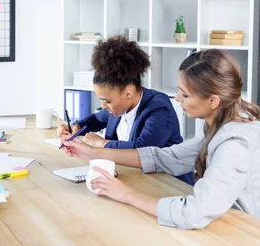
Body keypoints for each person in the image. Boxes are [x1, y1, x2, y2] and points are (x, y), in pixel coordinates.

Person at [62, 49, 260, 231]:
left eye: (185, 94)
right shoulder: (220, 124)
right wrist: (95, 153)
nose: (177, 99)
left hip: (254, 239)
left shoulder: (235, 143)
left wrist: (127, 195)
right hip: (226, 226)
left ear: (213, 100)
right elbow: (170, 157)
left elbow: (193, 213)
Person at [57, 35, 193, 185]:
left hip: (170, 184)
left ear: (128, 93)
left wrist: (102, 144)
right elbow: (96, 119)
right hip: (137, 180)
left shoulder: (159, 108)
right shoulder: (118, 108)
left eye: (107, 101)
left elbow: (142, 150)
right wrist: (76, 127)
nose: (103, 106)